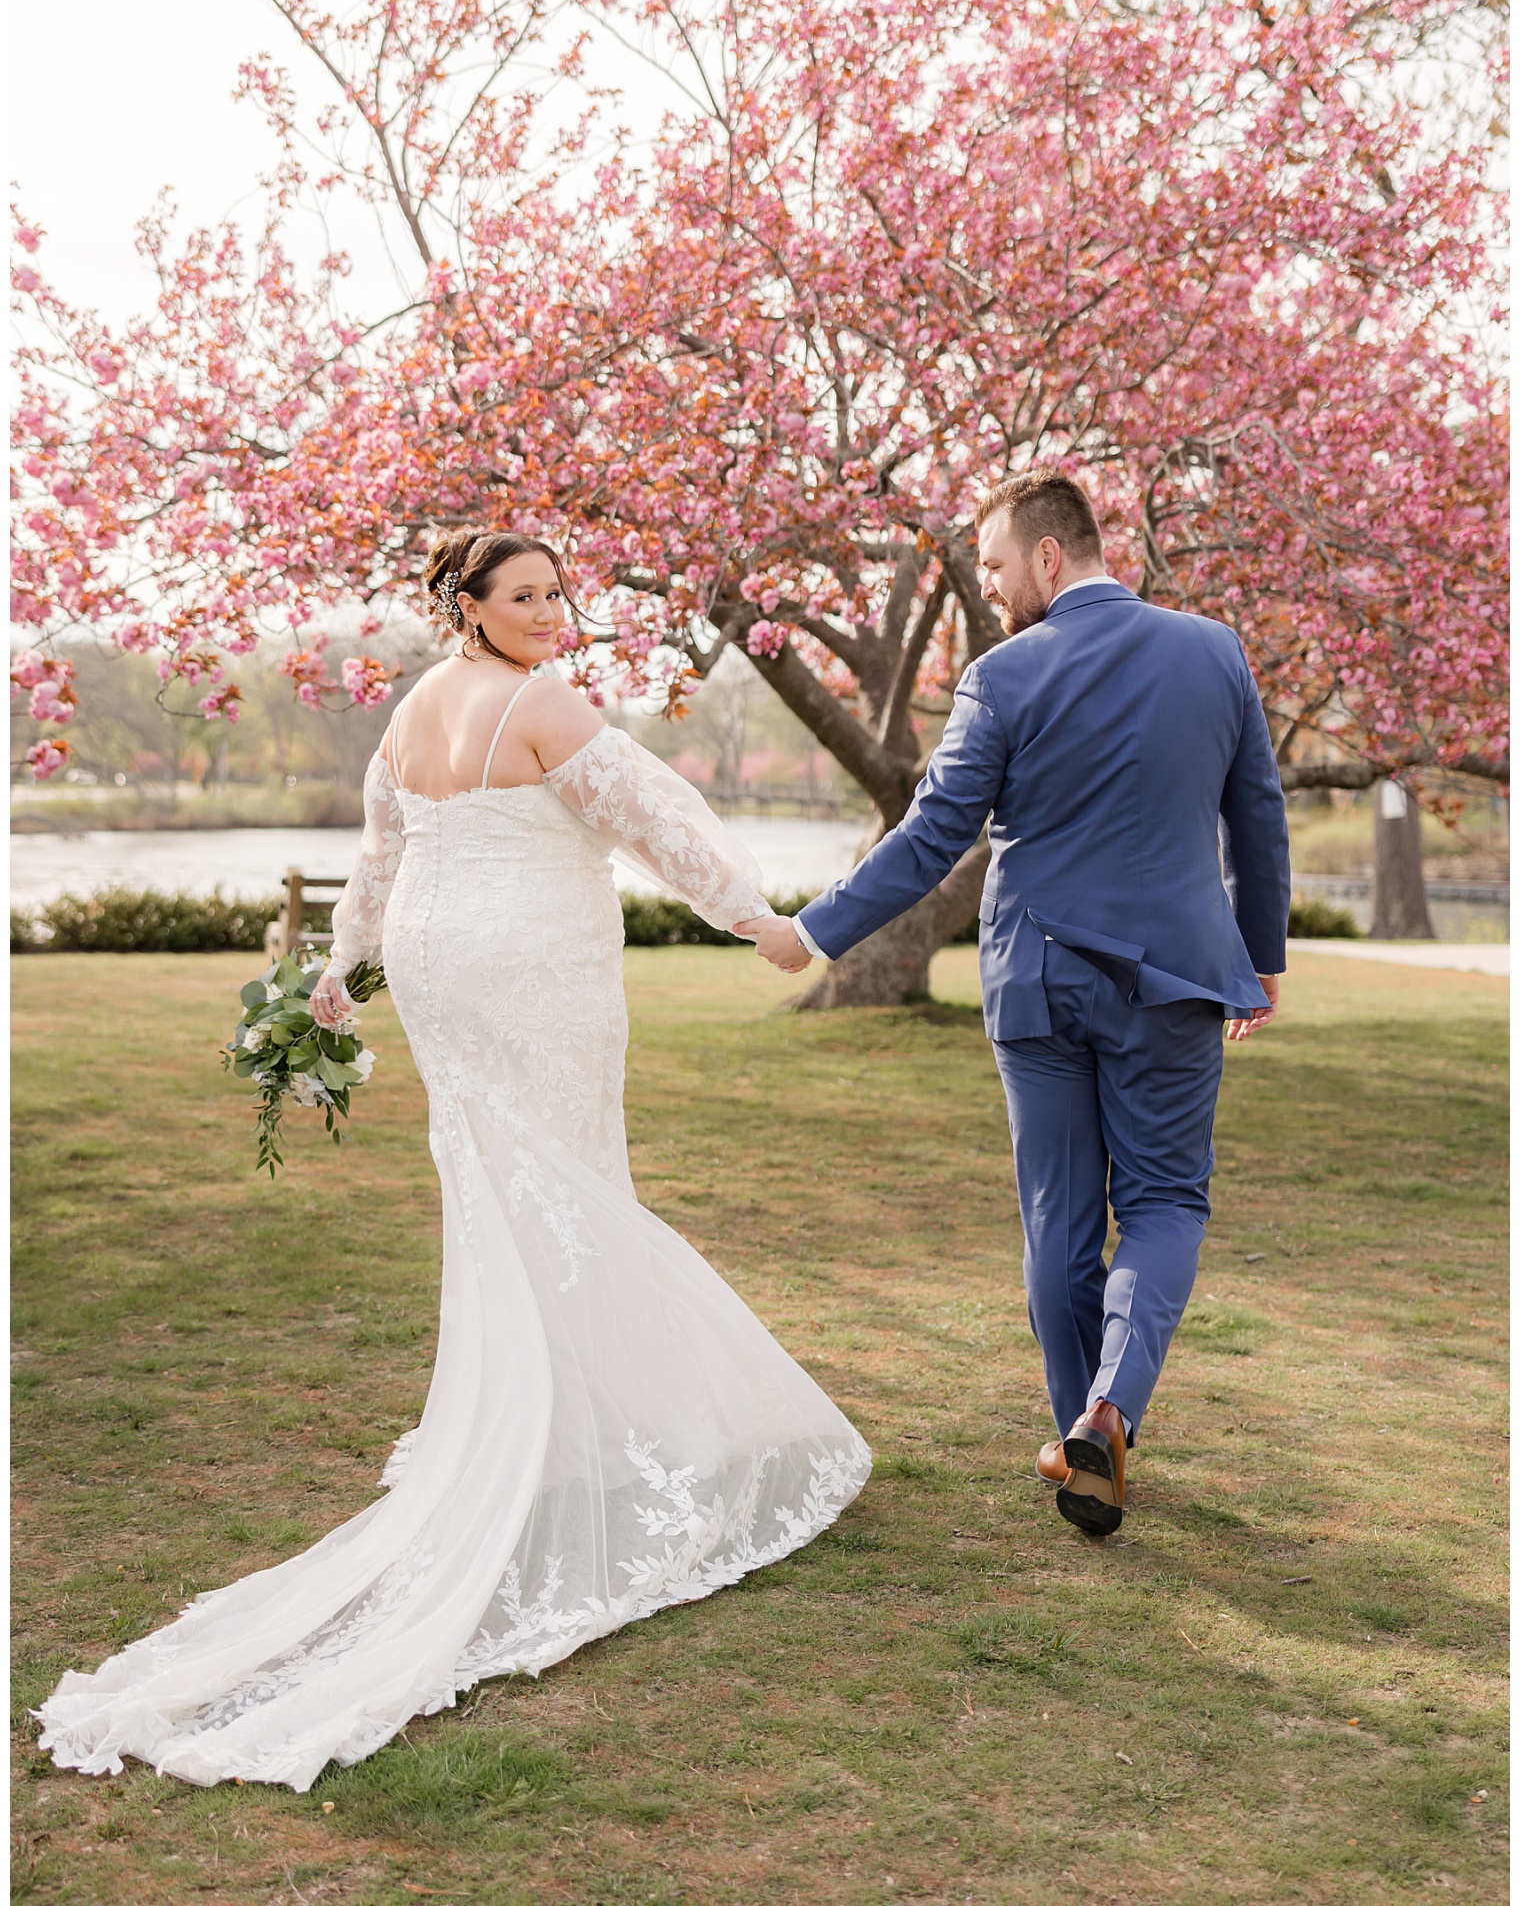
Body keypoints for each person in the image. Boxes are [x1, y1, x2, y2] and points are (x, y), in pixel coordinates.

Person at [38, 528, 869, 1794]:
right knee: (573, 1181)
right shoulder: (540, 703)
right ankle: (583, 1435)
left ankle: (557, 1423)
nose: (548, 612)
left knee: (507, 1187)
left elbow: (381, 857)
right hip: (528, 969)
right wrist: (752, 915)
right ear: (468, 607)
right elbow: (653, 817)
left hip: (442, 966)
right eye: (522, 595)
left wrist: (336, 968)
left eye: (554, 593)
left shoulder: (416, 707)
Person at [748, 469, 1290, 1537]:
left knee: (1057, 1216)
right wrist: (1259, 954)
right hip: (1176, 979)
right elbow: (1256, 817)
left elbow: (931, 834)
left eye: (994, 566)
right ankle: (1105, 1417)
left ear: (1048, 555)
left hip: (1038, 980)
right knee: (1166, 1204)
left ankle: (1082, 1445)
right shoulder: (1213, 651)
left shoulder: (1003, 675)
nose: (990, 590)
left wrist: (811, 930)